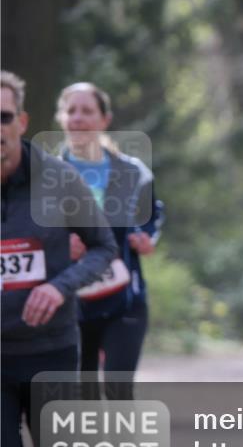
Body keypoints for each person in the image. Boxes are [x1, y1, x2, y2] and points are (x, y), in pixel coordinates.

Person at [1, 70, 117, 447]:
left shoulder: (57, 178)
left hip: (50, 349)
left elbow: (102, 247)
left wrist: (59, 286)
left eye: (3, 117)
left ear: (21, 121)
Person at [56, 82, 163, 404]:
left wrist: (147, 237)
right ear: (61, 118)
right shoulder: (45, 174)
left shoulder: (133, 171)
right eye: (71, 111)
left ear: (105, 120)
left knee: (118, 391)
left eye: (87, 111)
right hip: (70, 302)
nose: (78, 118)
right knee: (81, 395)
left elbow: (153, 214)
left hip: (124, 297)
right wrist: (60, 246)